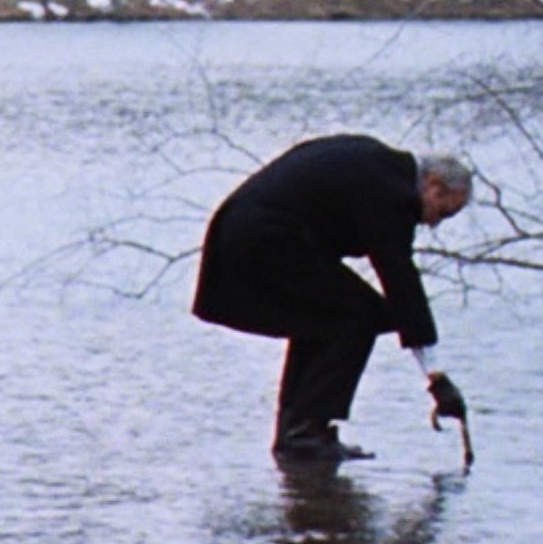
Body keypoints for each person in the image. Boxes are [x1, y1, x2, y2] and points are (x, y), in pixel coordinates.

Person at [190, 134, 475, 462]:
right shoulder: (390, 192)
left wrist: (433, 373)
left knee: (327, 318)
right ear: (433, 185)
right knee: (360, 315)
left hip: (243, 229)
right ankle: (305, 432)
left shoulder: (381, 168)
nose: (434, 223)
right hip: (262, 235)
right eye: (443, 212)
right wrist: (436, 379)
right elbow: (401, 281)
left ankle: (297, 430)